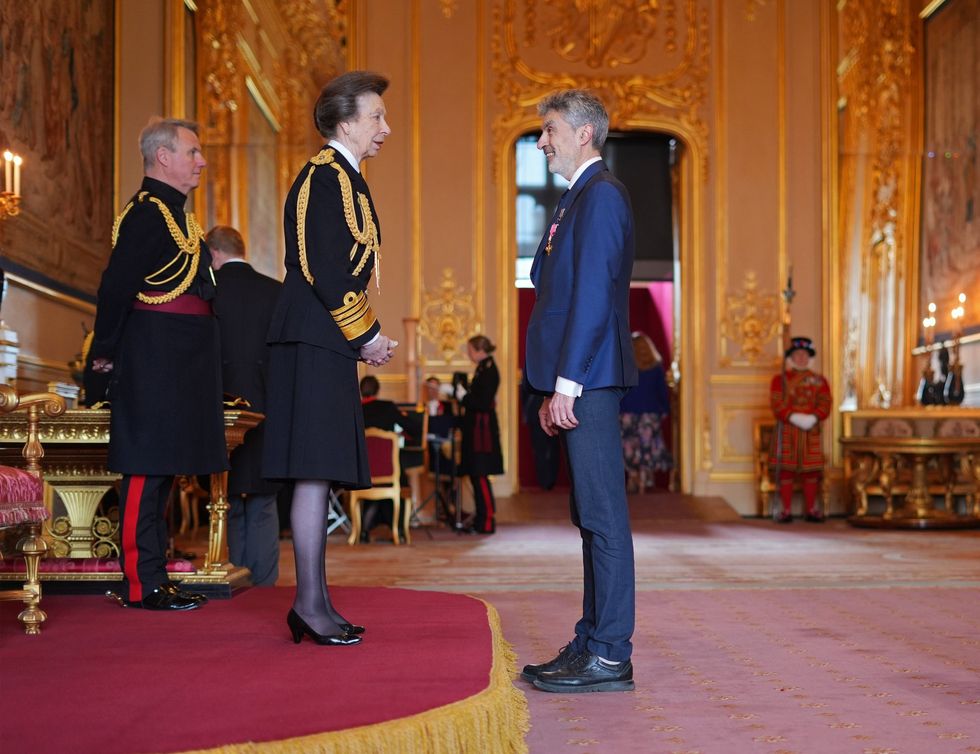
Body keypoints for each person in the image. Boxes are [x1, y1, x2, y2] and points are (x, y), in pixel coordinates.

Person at [262, 70, 397, 646]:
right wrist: (364, 334)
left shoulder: (346, 176)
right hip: (315, 338)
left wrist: (360, 335)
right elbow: (325, 266)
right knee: (312, 473)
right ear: (346, 122)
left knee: (317, 475)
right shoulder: (326, 176)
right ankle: (310, 605)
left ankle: (313, 602)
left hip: (323, 338)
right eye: (376, 117)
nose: (384, 128)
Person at [520, 90, 638, 693]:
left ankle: (611, 653)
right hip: (577, 378)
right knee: (589, 516)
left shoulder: (603, 196)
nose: (542, 141)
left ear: (584, 134)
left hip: (588, 379)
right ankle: (593, 638)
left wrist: (568, 383)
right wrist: (552, 388)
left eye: (550, 130)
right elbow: (558, 288)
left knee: (604, 516)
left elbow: (593, 295)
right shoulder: (579, 198)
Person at [85, 117, 225, 611]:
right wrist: (103, 355)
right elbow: (116, 290)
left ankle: (157, 574)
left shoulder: (180, 218)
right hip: (151, 360)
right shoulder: (145, 213)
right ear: (163, 157)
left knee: (163, 473)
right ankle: (141, 585)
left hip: (178, 362)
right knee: (145, 472)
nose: (201, 161)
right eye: (193, 152)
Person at [207, 225, 282, 586]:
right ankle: (265, 584)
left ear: (213, 254)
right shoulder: (275, 291)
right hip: (268, 407)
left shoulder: (208, 291)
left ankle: (236, 578)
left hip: (220, 409)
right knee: (264, 503)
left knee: (229, 499)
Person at [769, 336, 831, 523]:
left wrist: (812, 418)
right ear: (791, 357)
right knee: (786, 471)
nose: (801, 358)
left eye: (805, 354)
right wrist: (794, 417)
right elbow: (777, 404)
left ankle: (811, 509)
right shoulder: (779, 380)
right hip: (788, 431)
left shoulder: (820, 381)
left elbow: (826, 403)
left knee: (811, 472)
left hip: (810, 432)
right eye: (797, 354)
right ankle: (786, 510)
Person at [358, 374, 423, 539]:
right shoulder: (387, 407)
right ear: (378, 391)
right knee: (399, 480)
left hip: (361, 472)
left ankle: (364, 529)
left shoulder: (354, 409)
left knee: (372, 483)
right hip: (389, 470)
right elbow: (415, 428)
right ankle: (399, 529)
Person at [456, 335, 504, 534]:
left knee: (480, 476)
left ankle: (486, 521)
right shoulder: (484, 367)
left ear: (478, 350)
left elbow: (482, 402)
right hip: (477, 429)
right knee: (477, 476)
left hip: (481, 432)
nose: (468, 353)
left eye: (469, 349)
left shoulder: (488, 369)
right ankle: (481, 520)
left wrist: (463, 397)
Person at [620, 332, 672, 493]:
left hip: (626, 411)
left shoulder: (625, 366)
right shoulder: (655, 367)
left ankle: (633, 476)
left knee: (629, 444)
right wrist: (664, 408)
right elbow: (662, 392)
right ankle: (644, 477)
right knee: (646, 445)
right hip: (650, 412)